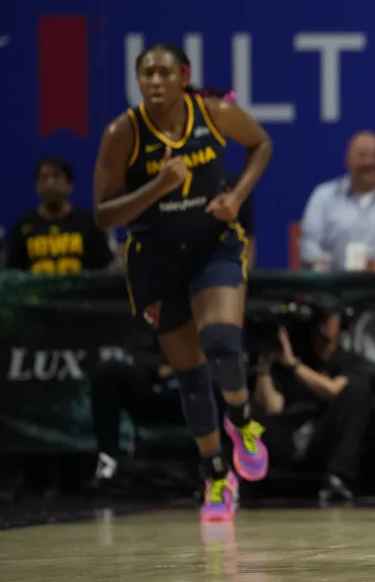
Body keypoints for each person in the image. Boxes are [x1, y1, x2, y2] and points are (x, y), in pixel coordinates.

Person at [93, 43, 273, 521]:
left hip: (213, 245)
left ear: (183, 76)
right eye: (146, 73)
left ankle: (242, 419)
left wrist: (235, 196)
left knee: (220, 340)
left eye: (163, 72)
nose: (154, 81)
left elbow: (261, 144)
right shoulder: (123, 132)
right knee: (191, 376)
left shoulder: (214, 112)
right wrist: (156, 187)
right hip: (155, 259)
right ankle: (216, 476)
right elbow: (103, 213)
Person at [253, 293, 372, 505]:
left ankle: (338, 479)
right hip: (289, 435)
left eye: (328, 319)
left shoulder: (347, 360)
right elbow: (273, 407)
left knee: (357, 390)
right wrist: (264, 368)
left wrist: (295, 366)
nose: (322, 326)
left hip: (324, 437)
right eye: (318, 319)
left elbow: (333, 391)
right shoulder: (290, 358)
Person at [298, 130, 375, 270]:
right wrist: (330, 266)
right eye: (362, 155)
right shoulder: (323, 196)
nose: (369, 162)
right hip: (333, 286)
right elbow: (308, 247)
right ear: (348, 160)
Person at [6, 156, 114, 274]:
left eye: (56, 177)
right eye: (44, 178)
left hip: (80, 292)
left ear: (69, 185)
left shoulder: (89, 224)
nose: (50, 183)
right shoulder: (22, 227)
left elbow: (104, 270)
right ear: (36, 186)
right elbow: (13, 274)